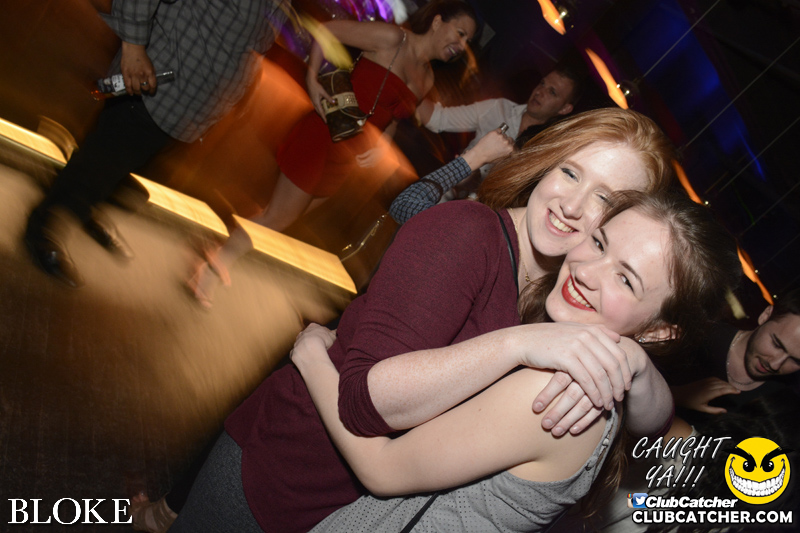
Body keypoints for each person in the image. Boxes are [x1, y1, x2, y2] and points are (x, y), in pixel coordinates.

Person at [165, 108, 679, 533]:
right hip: (280, 478)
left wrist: (634, 360)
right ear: (546, 163)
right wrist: (521, 342)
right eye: (570, 172)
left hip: (349, 515)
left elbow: (653, 422)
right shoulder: (466, 235)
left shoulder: (564, 298)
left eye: (605, 201)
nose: (572, 205)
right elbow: (363, 404)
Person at [287, 190, 741, 533]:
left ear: (659, 331)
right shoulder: (584, 366)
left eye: (626, 279)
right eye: (599, 243)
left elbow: (381, 469)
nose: (585, 271)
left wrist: (312, 359)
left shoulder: (555, 392)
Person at [186, 0, 479, 308]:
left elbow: (394, 117)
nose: (461, 45)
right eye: (460, 33)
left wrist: (380, 145)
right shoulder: (393, 38)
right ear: (437, 21)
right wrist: (312, 79)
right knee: (279, 216)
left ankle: (221, 248)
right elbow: (328, 30)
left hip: (346, 156)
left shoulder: (427, 78)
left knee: (280, 216)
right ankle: (212, 268)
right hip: (324, 132)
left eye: (468, 41)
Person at [24, 0, 288, 288]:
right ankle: (43, 226)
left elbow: (252, 40)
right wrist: (133, 48)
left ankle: (85, 207)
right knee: (103, 159)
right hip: (154, 81)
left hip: (190, 107)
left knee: (128, 169)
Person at [414, 65, 582, 199]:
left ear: (565, 108)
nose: (540, 92)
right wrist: (408, 84)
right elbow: (439, 118)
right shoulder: (498, 108)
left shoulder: (549, 149)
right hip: (445, 197)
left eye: (552, 92)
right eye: (542, 83)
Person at [668, 284, 800, 415]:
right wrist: (677, 395)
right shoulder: (698, 337)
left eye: (795, 361)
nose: (775, 364)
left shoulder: (781, 400)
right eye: (776, 344)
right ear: (765, 316)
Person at [389, 124, 514, 224]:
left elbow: (402, 206)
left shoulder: (465, 219)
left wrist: (477, 156)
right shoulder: (453, 200)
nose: (460, 157)